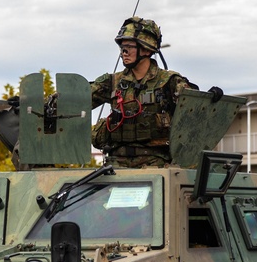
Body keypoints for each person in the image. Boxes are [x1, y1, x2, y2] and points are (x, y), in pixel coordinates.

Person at [90, 16, 221, 168]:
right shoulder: (112, 82)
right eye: (122, 47)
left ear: (146, 49)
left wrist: (208, 99)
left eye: (129, 46)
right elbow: (77, 100)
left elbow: (194, 110)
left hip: (155, 163)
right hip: (115, 164)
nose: (124, 52)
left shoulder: (168, 81)